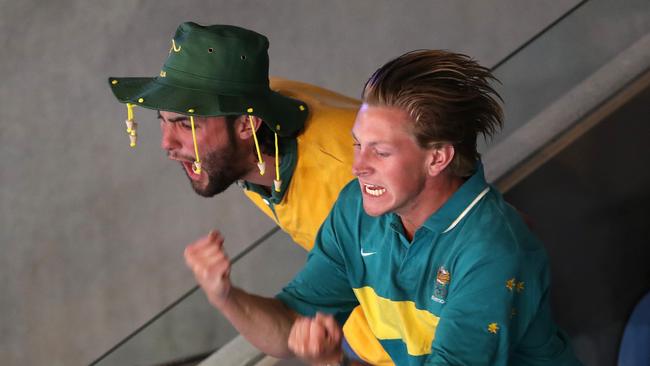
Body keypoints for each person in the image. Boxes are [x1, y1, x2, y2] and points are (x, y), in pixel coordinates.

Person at [184, 49, 583, 365]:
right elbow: (290, 323)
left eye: (381, 151)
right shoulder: (355, 210)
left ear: (437, 158)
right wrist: (226, 296)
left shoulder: (491, 252)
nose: (358, 166)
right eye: (358, 144)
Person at [108, 22, 391, 364]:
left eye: (187, 124)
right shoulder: (250, 137)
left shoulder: (355, 183)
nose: (167, 144)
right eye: (163, 122)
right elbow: (293, 320)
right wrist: (223, 294)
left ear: (246, 124)